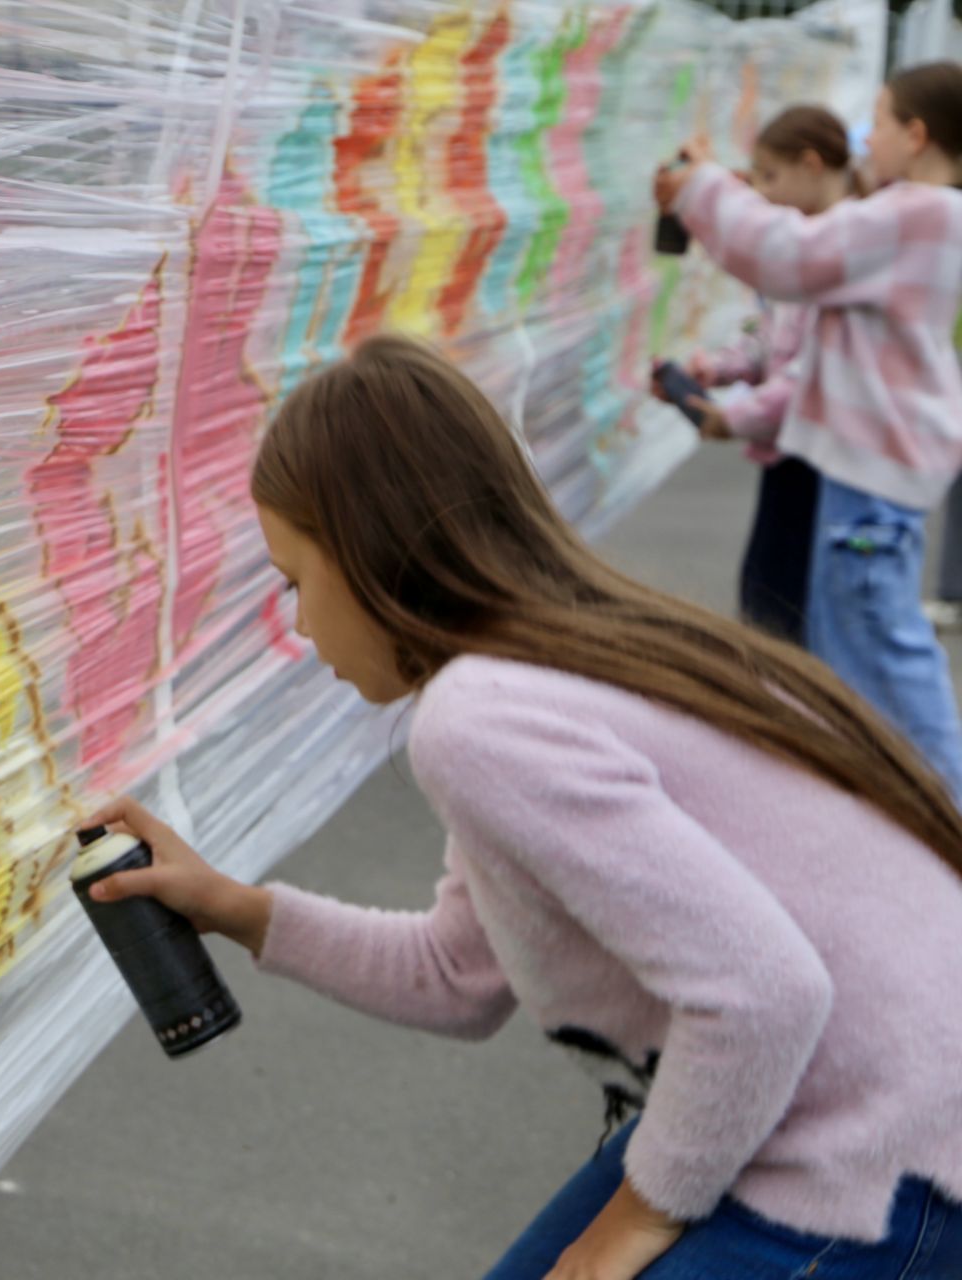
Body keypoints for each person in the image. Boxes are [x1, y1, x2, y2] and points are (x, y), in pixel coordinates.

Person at [84, 336, 962, 1279]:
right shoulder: (560, 661)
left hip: (874, 1153)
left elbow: (765, 994)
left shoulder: (478, 720)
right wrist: (232, 907)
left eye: (297, 579)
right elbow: (458, 975)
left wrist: (633, 1224)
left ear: (370, 550)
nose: (299, 625)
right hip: (870, 1101)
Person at [656, 64, 962, 796]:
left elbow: (784, 255)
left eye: (880, 122)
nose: (869, 138)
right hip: (871, 475)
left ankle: (949, 819)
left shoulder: (918, 212)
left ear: (915, 136)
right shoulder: (919, 214)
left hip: (869, 479)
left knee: (883, 661)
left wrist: (702, 186)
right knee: (851, 661)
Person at [655, 105, 856, 644]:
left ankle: (792, 714)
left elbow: (809, 379)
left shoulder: (839, 257)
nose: (762, 194)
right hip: (789, 453)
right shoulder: (806, 256)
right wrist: (716, 369)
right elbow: (773, 338)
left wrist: (731, 419)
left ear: (811, 166)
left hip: (818, 461)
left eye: (770, 177)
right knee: (768, 592)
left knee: (784, 607)